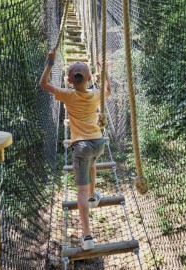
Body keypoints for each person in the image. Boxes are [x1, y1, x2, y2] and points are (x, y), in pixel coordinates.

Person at [39, 47, 111, 250]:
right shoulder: (96, 95)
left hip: (81, 145)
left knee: (78, 191)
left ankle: (87, 237)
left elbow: (43, 84)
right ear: (89, 78)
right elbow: (108, 90)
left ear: (70, 80)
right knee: (93, 164)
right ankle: (93, 195)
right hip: (98, 142)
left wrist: (51, 62)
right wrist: (104, 72)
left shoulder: (67, 94)